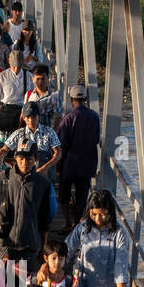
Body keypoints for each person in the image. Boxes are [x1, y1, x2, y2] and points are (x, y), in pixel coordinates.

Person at [0, 143, 52, 276]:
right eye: (21, 159)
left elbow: (44, 220)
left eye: (29, 159)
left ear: (35, 159)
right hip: (4, 244)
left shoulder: (43, 184)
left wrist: (44, 247)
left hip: (29, 245)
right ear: (15, 159)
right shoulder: (2, 178)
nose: (24, 163)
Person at [58, 85, 102, 227]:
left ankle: (67, 223)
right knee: (82, 199)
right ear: (85, 99)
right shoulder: (94, 116)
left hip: (69, 165)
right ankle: (77, 224)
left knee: (64, 197)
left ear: (72, 100)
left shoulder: (68, 119)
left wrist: (58, 166)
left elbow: (62, 145)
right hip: (87, 165)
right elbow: (96, 139)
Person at [0, 101, 61, 180]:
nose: (31, 120)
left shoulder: (49, 132)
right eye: (28, 117)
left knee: (50, 192)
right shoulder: (19, 133)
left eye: (33, 117)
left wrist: (45, 168)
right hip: (24, 178)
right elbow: (4, 149)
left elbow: (58, 153)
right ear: (24, 118)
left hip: (44, 178)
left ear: (39, 116)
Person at [0, 48, 33, 134]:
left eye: (18, 66)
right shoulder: (2, 76)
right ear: (9, 62)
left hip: (22, 113)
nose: (16, 68)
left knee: (21, 142)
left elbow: (32, 97)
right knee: (3, 143)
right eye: (13, 66)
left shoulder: (29, 76)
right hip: (5, 111)